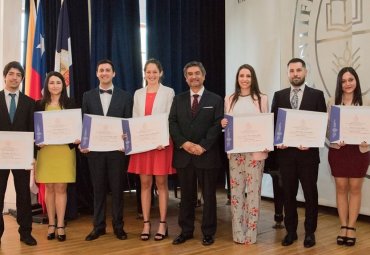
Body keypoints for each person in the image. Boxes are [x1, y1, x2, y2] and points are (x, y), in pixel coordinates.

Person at [271, 58, 326, 248]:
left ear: (305, 72)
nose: (295, 74)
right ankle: (291, 231)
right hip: (286, 156)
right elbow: (274, 124)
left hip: (308, 156)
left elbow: (321, 124)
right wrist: (278, 141)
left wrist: (311, 142)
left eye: (298, 70)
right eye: (292, 71)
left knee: (311, 194)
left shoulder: (317, 95)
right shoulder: (279, 96)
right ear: (288, 74)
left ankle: (310, 232)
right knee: (288, 194)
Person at [169, 61, 223, 246]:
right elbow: (172, 123)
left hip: (206, 155)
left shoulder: (215, 99)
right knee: (186, 197)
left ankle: (208, 232)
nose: (194, 76)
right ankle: (186, 231)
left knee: (209, 196)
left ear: (204, 75)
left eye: (197, 73)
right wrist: (184, 143)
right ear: (186, 78)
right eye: (190, 74)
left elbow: (217, 125)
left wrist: (203, 146)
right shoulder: (178, 99)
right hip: (184, 155)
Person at [81, 59, 133, 241]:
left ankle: (119, 227)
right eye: (101, 70)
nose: (104, 73)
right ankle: (98, 226)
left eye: (107, 70)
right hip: (95, 152)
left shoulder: (126, 96)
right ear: (97, 74)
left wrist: (127, 139)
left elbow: (128, 123)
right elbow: (84, 123)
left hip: (116, 152)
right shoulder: (87, 96)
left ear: (114, 74)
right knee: (98, 190)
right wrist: (84, 142)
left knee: (118, 190)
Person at [128, 59, 176, 241]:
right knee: (145, 184)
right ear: (144, 73)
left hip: (160, 145)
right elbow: (134, 118)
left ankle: (163, 224)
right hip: (143, 145)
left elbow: (170, 118)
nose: (151, 75)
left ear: (161, 73)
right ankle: (146, 223)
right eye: (148, 72)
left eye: (155, 72)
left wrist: (162, 138)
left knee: (161, 184)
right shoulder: (138, 93)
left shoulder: (169, 92)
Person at [220, 64, 269, 244]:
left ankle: (251, 233)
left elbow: (266, 124)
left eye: (248, 76)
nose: (245, 79)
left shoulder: (262, 99)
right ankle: (238, 233)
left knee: (253, 193)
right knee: (236, 193)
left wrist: (265, 144)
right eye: (241, 75)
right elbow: (227, 126)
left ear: (253, 78)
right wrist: (223, 124)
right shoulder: (229, 99)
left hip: (255, 153)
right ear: (237, 78)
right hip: (235, 153)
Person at [327, 67, 370, 247]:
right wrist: (334, 139)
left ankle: (351, 227)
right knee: (341, 187)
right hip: (339, 150)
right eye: (344, 81)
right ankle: (343, 225)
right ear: (340, 83)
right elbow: (327, 130)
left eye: (350, 79)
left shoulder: (366, 102)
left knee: (355, 188)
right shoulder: (332, 102)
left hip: (359, 151)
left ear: (356, 81)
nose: (347, 84)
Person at [35, 71, 78, 242]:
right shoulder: (39, 105)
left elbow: (77, 127)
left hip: (64, 152)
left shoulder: (70, 103)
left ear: (63, 85)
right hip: (46, 152)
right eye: (51, 82)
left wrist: (77, 137)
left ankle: (60, 224)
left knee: (61, 188)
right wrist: (36, 141)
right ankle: (51, 224)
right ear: (46, 86)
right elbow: (34, 129)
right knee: (49, 188)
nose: (55, 86)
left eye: (58, 82)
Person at [0, 61, 37, 246]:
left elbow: (33, 132)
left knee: (23, 195)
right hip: (0, 158)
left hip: (22, 158)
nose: (14, 77)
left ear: (22, 79)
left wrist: (33, 156)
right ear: (5, 76)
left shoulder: (29, 102)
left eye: (18, 75)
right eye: (11, 74)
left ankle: (26, 232)